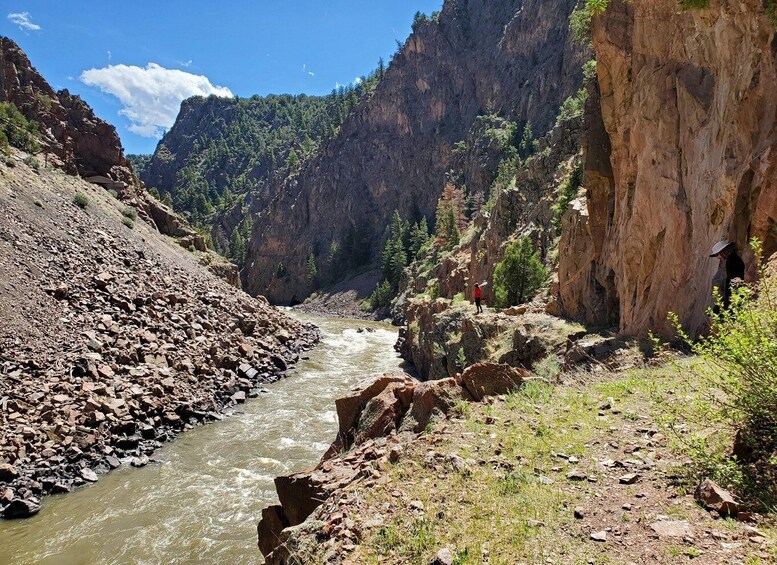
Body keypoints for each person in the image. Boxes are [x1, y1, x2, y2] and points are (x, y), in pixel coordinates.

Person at [709, 240, 745, 309]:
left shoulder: (732, 260)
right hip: (735, 295)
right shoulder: (733, 258)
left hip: (735, 296)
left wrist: (729, 298)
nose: (718, 257)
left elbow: (734, 279)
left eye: (718, 254)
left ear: (723, 251)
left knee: (717, 310)